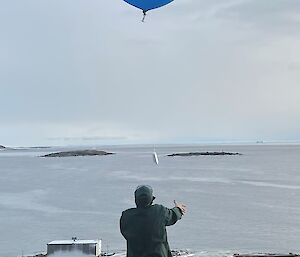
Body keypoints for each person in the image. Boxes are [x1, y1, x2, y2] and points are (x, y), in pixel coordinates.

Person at [120, 185, 187, 257]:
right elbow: (173, 215)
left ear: (136, 199)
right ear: (151, 199)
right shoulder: (159, 211)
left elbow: (125, 232)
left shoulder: (127, 216)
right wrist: (179, 209)